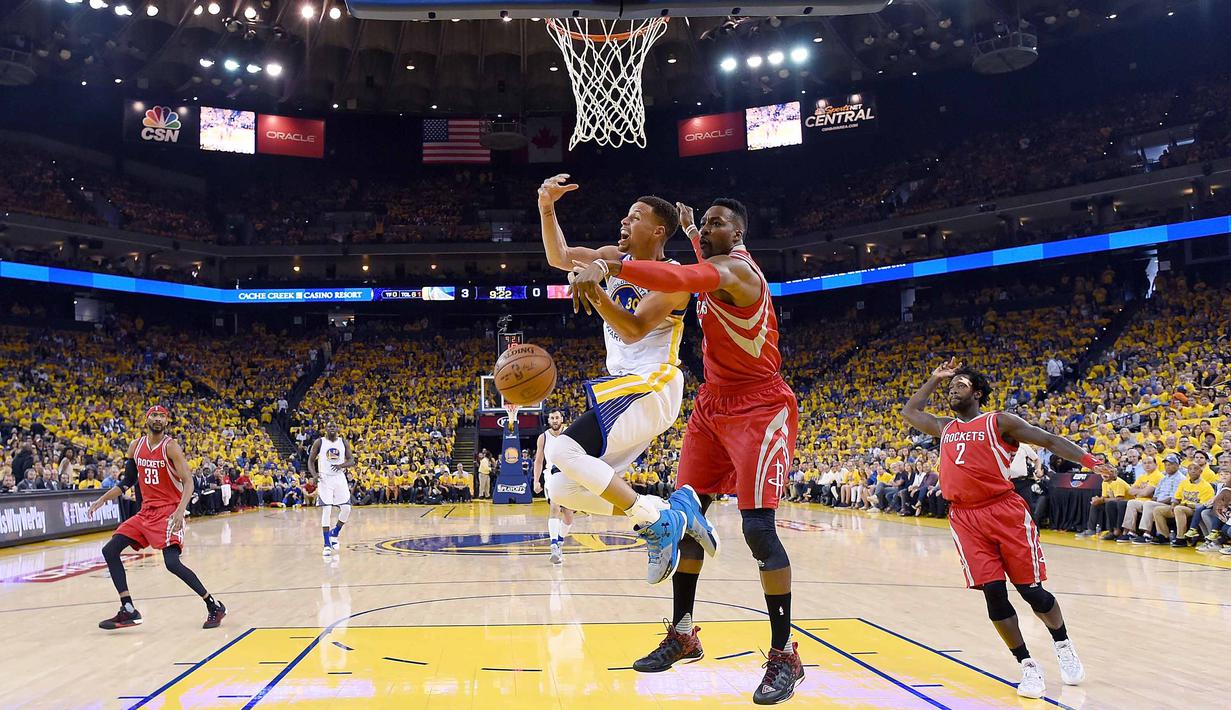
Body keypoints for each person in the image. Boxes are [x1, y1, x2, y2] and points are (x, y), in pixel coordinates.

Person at [577, 198, 802, 704]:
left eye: (718, 222)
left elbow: (684, 279)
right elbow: (699, 259)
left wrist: (608, 265)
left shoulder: (736, 270)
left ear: (741, 230)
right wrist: (690, 230)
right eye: (704, 222)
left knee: (758, 530)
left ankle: (785, 654)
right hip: (712, 404)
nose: (708, 227)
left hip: (760, 407)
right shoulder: (710, 255)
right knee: (687, 515)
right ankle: (683, 632)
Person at [539, 174, 716, 587]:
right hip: (628, 388)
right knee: (562, 487)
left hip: (653, 383)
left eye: (635, 217)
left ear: (657, 230)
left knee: (561, 448)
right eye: (626, 215)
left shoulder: (675, 279)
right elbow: (559, 256)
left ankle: (655, 523)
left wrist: (595, 291)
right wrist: (547, 206)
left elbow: (635, 329)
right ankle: (666, 512)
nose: (624, 221)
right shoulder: (607, 256)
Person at [902, 359, 1108, 699]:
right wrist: (934, 379)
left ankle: (1063, 643)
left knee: (1031, 591)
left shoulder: (998, 422)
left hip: (1004, 511)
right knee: (993, 592)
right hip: (965, 518)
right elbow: (910, 411)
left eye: (960, 385)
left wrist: (1090, 462)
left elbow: (1050, 440)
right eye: (951, 387)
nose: (953, 390)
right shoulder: (945, 427)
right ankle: (1027, 664)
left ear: (977, 393)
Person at [85, 405, 226, 630]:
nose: (158, 419)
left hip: (169, 511)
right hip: (146, 512)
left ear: (166, 422)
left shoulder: (171, 447)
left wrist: (180, 510)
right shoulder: (135, 446)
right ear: (147, 419)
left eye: (162, 416)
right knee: (109, 550)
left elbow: (188, 482)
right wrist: (102, 499)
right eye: (154, 415)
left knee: (171, 563)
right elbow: (127, 481)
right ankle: (128, 609)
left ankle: (213, 605)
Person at [307, 421, 356, 557]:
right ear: (326, 429)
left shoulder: (343, 442)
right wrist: (314, 475)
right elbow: (310, 461)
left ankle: (335, 533)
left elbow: (352, 460)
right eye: (329, 427)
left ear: (337, 429)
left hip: (339, 477)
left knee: (346, 509)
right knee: (327, 509)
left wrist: (342, 465)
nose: (332, 428)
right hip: (325, 478)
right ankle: (326, 544)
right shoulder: (319, 442)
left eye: (334, 426)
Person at [534, 410, 574, 565]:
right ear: (548, 420)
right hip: (551, 475)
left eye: (557, 417)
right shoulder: (543, 437)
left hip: (569, 474)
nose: (555, 420)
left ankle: (560, 542)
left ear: (562, 419)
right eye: (552, 418)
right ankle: (553, 546)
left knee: (569, 515)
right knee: (555, 507)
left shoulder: (571, 433)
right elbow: (538, 461)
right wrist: (536, 481)